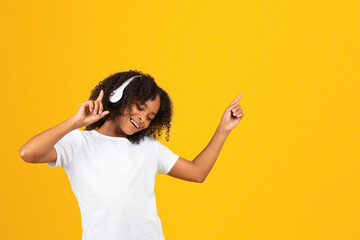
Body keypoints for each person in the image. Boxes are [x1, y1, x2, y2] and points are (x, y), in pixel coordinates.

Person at [19, 69, 244, 240]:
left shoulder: (148, 147)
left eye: (151, 116)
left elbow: (197, 172)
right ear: (118, 97)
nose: (143, 119)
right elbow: (27, 153)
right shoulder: (78, 143)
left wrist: (223, 129)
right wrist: (75, 121)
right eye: (139, 107)